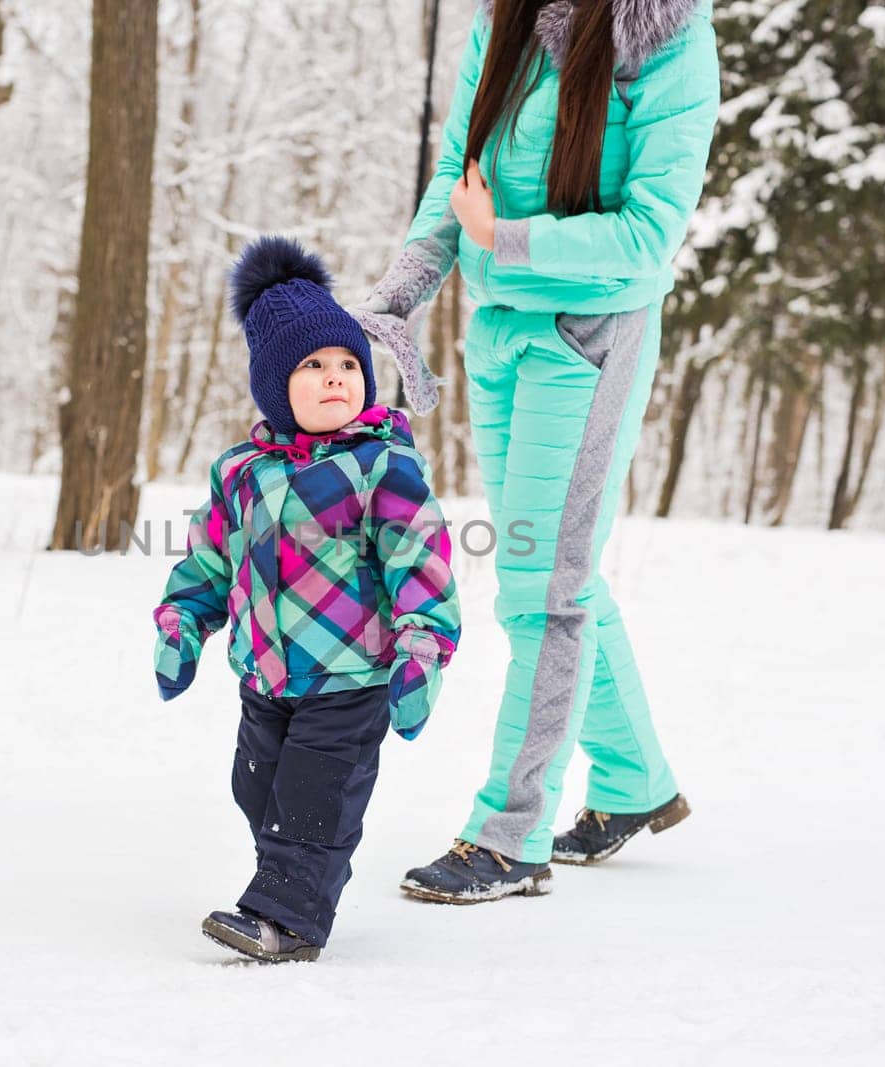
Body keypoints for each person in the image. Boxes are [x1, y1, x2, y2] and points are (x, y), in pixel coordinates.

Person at [353, 0, 720, 903]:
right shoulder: (506, 19)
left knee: (541, 589)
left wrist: (500, 239)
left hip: (591, 334)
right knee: (555, 574)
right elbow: (458, 170)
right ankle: (634, 779)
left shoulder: (669, 36)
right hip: (502, 334)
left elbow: (648, 232)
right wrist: (402, 290)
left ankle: (509, 834)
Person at [152, 236, 462, 960]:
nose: (335, 378)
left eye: (348, 364)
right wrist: (184, 622)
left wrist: (422, 648)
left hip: (351, 678)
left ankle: (287, 920)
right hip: (265, 676)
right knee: (257, 789)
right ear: (272, 385)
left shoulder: (381, 463)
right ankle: (289, 874)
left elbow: (421, 557)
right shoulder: (241, 472)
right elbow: (209, 557)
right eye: (313, 366)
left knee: (314, 801)